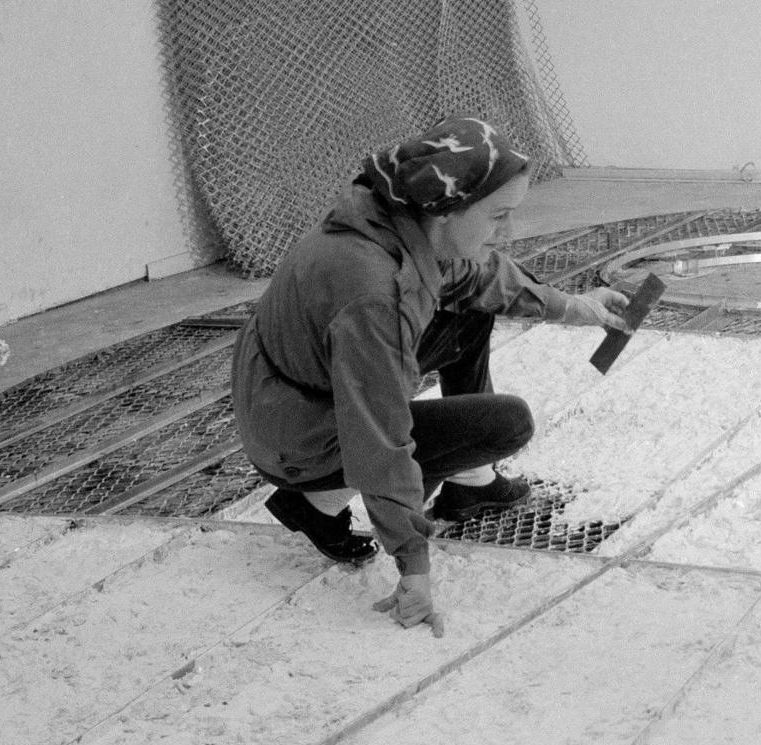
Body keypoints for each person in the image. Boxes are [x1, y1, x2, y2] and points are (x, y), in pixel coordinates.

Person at [232, 117, 629, 637]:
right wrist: (413, 565)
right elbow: (377, 434)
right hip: (293, 432)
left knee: (471, 307)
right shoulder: (374, 293)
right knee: (505, 424)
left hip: (285, 392)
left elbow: (480, 274)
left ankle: (470, 484)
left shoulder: (397, 219)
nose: (505, 232)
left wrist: (569, 305)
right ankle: (315, 499)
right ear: (445, 212)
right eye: (498, 217)